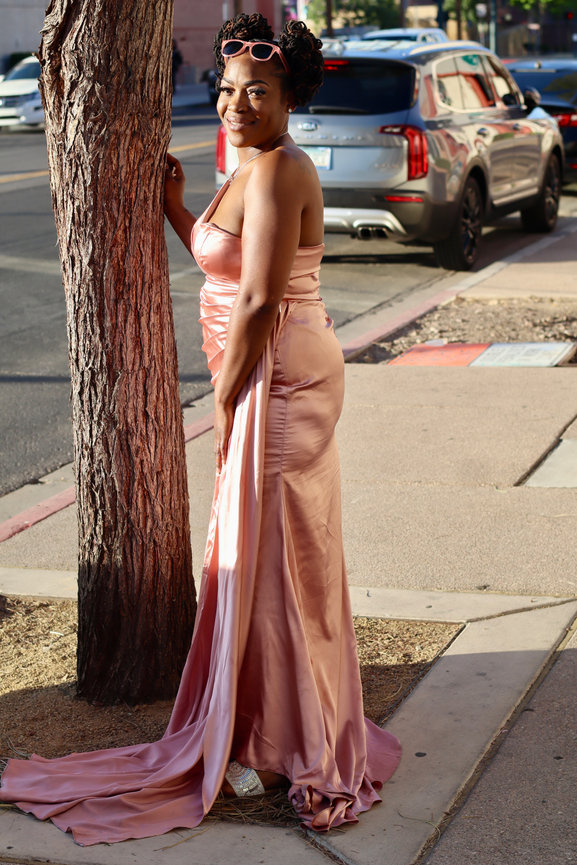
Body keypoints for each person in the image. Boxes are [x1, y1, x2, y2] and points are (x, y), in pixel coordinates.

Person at [0, 13, 401, 845]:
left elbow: (258, 298)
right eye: (225, 91)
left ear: (290, 97)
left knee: (280, 553)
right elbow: (225, 263)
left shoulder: (283, 167)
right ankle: (261, 718)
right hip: (255, 367)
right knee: (260, 550)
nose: (236, 104)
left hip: (278, 374)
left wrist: (222, 396)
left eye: (257, 92)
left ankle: (287, 737)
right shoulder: (246, 165)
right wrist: (181, 210)